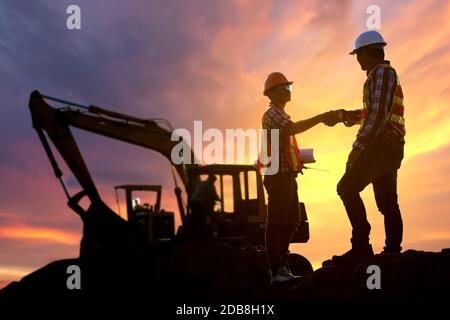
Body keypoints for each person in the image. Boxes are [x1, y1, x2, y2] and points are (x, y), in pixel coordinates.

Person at [323, 30, 406, 266]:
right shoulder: (383, 75)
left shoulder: (380, 73)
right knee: (387, 201)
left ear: (368, 53)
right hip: (391, 146)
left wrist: (357, 148)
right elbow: (373, 112)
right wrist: (344, 115)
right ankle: (392, 252)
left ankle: (361, 247)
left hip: (380, 146)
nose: (357, 60)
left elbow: (377, 116)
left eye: (358, 55)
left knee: (346, 188)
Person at [259, 72, 337, 283]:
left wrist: (297, 161)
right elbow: (292, 129)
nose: (288, 92)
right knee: (276, 222)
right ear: (273, 92)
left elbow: (285, 145)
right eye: (284, 88)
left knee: (292, 220)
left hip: (287, 175)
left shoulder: (281, 114)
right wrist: (321, 118)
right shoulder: (272, 113)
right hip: (277, 176)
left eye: (289, 88)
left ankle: (282, 265)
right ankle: (276, 270)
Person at [188, 174, 220, 239]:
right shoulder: (209, 185)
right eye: (214, 181)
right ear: (212, 180)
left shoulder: (201, 183)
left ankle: (196, 234)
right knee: (202, 219)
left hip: (193, 202)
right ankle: (202, 236)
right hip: (198, 204)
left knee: (196, 219)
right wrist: (219, 200)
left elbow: (209, 195)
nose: (213, 182)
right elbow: (213, 195)